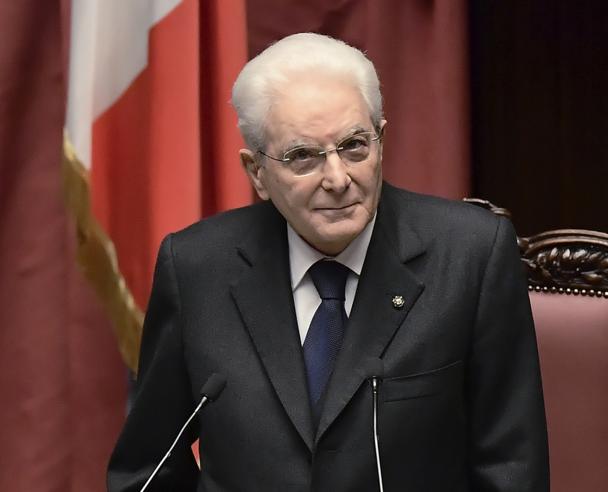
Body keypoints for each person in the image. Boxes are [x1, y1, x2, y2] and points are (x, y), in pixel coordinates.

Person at [107, 33, 549, 491]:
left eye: (355, 145)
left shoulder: (471, 254)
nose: (338, 179)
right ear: (257, 173)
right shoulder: (197, 267)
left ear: (382, 141)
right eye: (302, 157)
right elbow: (147, 469)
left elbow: (512, 468)